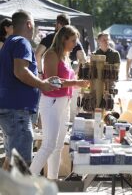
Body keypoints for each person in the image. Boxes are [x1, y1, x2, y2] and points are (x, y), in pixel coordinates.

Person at [29, 25, 89, 179]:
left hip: (63, 102)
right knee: (49, 145)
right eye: (73, 40)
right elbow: (53, 81)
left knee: (57, 146)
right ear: (64, 39)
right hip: (52, 102)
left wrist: (76, 82)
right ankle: (27, 180)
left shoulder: (64, 56)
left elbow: (65, 80)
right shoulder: (51, 54)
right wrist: (76, 82)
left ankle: (53, 181)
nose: (75, 44)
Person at [0, 10, 58, 170]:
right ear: (29, 24)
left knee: (12, 160)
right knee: (21, 164)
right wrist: (42, 84)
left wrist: (41, 82)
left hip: (12, 110)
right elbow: (20, 71)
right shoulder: (22, 42)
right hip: (18, 112)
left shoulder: (9, 42)